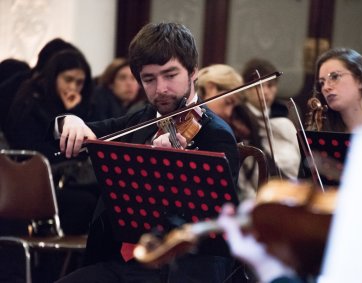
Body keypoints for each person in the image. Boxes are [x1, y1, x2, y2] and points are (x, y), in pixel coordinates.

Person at [55, 22, 240, 283]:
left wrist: (171, 169)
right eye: (149, 79)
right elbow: (90, 131)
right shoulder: (143, 118)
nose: (161, 89)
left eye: (170, 75)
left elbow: (214, 223)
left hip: (184, 267)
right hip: (126, 262)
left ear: (193, 72)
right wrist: (69, 120)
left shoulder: (216, 134)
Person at [4, 49, 98, 235]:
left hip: (64, 177)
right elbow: (38, 150)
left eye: (79, 82)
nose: (73, 88)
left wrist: (76, 111)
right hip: (30, 180)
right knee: (85, 202)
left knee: (103, 196)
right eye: (68, 79)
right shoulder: (30, 101)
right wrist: (71, 116)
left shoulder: (82, 104)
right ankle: (63, 260)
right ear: (54, 77)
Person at [231, 58, 301, 199]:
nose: (266, 92)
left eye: (271, 85)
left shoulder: (287, 114)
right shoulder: (238, 118)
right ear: (245, 89)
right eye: (259, 86)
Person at [305, 47, 362, 132]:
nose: (326, 87)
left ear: (360, 80)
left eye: (335, 77)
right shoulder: (321, 131)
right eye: (322, 83)